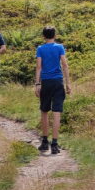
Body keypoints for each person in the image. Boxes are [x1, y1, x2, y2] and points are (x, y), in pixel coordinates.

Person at [34, 25, 71, 155]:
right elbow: (65, 65)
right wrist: (68, 83)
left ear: (44, 36)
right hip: (58, 81)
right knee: (56, 113)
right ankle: (54, 144)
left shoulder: (40, 49)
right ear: (54, 35)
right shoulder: (60, 47)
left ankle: (45, 142)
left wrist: (37, 84)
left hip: (45, 82)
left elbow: (39, 67)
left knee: (44, 111)